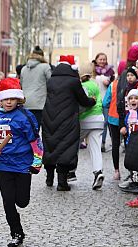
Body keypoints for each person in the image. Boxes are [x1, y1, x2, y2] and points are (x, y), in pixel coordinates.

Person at [0, 78, 39, 247]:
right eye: (5, 98)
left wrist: (37, 162)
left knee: (22, 202)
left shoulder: (25, 116)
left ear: (18, 99)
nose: (9, 102)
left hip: (23, 165)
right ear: (0, 99)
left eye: (12, 98)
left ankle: (18, 229)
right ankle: (17, 234)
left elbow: (36, 141)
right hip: (3, 166)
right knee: (8, 201)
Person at [42, 55, 96, 191]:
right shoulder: (73, 81)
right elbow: (83, 100)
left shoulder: (50, 81)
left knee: (50, 146)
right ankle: (62, 183)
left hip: (49, 116)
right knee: (66, 147)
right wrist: (93, 101)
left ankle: (49, 178)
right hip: (67, 119)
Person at [79, 65, 105, 190]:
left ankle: (70, 171)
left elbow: (84, 103)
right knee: (95, 148)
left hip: (85, 119)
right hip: (98, 118)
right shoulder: (94, 84)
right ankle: (98, 172)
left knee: (72, 144)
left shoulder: (83, 86)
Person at [20, 46, 52, 126]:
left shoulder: (24, 69)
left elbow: (21, 84)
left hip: (26, 103)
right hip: (40, 103)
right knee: (38, 128)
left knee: (29, 129)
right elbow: (51, 83)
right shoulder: (45, 67)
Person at [92, 52, 115, 152]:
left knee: (104, 122)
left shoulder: (110, 71)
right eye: (100, 59)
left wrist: (109, 82)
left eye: (104, 59)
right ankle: (93, 142)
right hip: (94, 100)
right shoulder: (92, 70)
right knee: (94, 122)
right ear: (96, 60)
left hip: (106, 100)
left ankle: (103, 143)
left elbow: (113, 84)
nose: (102, 61)